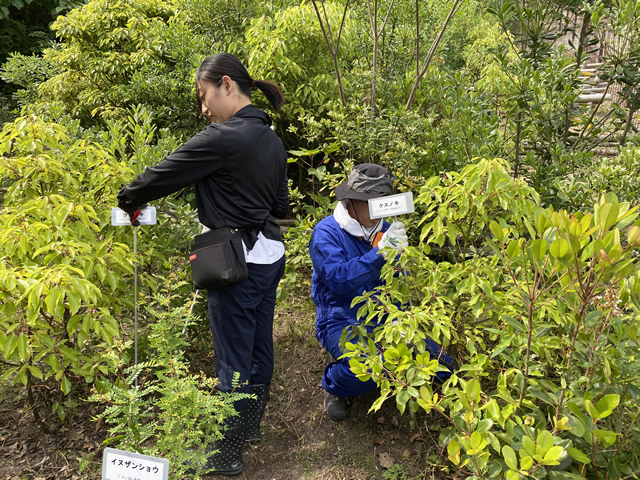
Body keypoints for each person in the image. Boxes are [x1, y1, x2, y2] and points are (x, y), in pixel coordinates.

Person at [117, 53, 289, 475]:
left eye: (204, 95)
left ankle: (226, 453)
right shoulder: (271, 138)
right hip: (270, 256)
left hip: (234, 262)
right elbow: (282, 208)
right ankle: (248, 427)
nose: (204, 108)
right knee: (258, 347)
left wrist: (128, 200)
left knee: (232, 357)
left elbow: (160, 176)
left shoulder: (222, 137)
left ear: (226, 85)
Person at [308, 163, 454, 422]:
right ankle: (335, 384)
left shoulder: (387, 230)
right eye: (371, 202)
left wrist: (403, 315)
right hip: (341, 318)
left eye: (383, 201)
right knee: (365, 370)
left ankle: (393, 373)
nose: (378, 209)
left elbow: (402, 283)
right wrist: (379, 255)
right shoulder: (327, 232)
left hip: (385, 317)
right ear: (351, 200)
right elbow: (338, 280)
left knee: (443, 364)